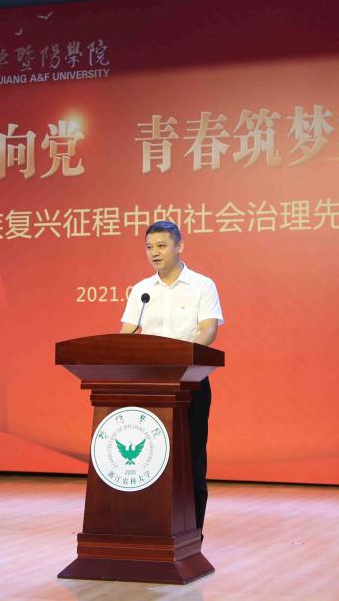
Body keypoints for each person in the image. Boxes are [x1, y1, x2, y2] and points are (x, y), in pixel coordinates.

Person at [119, 220, 224, 530]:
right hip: (149, 386)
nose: (155, 252)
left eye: (162, 246)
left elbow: (209, 330)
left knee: (191, 461)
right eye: (149, 247)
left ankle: (192, 533)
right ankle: (150, 529)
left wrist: (182, 362)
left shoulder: (202, 285)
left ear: (180, 246)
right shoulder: (141, 290)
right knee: (148, 458)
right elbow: (127, 334)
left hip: (190, 384)